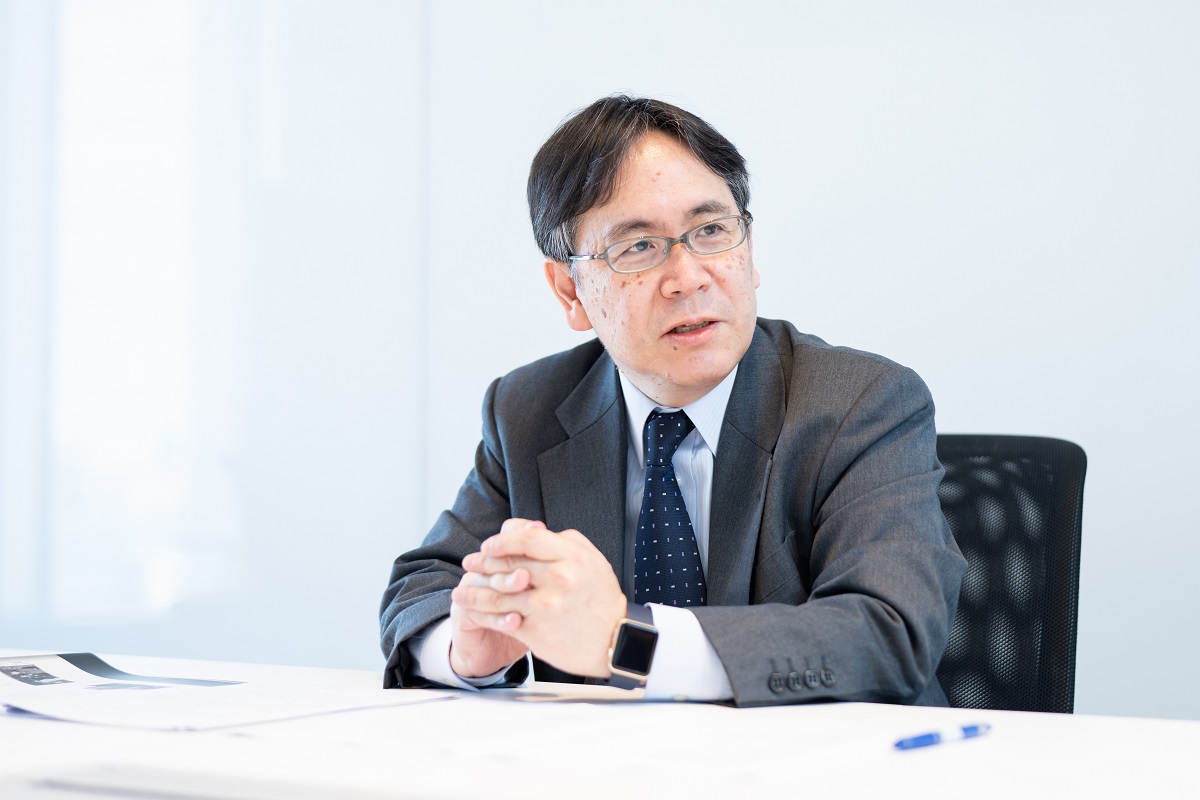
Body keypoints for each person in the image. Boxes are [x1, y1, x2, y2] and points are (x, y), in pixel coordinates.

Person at [380, 95, 967, 707]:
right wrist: (469, 647)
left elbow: (888, 633)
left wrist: (627, 643)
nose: (688, 277)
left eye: (711, 231)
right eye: (637, 246)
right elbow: (420, 589)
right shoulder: (529, 410)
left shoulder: (860, 404)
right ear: (570, 291)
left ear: (748, 249)